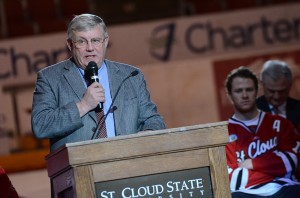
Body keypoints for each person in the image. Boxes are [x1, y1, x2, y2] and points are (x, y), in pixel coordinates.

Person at [31, 13, 166, 152]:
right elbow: (40, 126)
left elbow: (153, 119)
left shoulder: (131, 76)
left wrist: (148, 133)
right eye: (82, 42)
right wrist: (83, 106)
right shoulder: (50, 78)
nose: (90, 48)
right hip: (80, 169)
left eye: (95, 40)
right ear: (70, 45)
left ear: (105, 41)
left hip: (129, 163)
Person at [225, 66, 300, 198]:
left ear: (257, 91)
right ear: (230, 96)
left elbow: (291, 161)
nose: (244, 95)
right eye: (238, 91)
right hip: (246, 193)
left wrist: (252, 164)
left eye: (249, 89)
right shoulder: (223, 133)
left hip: (286, 188)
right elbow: (232, 179)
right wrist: (275, 169)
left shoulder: (280, 124)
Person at [256, 60, 300, 129]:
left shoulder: (298, 109)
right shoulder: (252, 111)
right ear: (262, 84)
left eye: (282, 91)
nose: (277, 96)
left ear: (290, 85)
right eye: (271, 91)